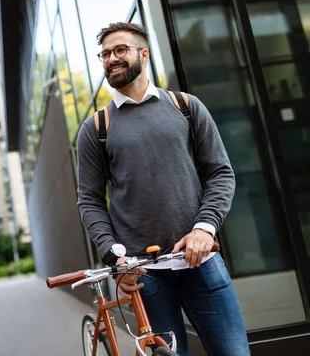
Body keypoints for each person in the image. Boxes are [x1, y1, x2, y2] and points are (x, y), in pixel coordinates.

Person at [76, 22, 250, 355]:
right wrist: (114, 255)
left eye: (120, 50)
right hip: (144, 277)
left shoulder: (185, 106)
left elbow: (220, 174)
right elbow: (91, 201)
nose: (111, 58)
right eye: (105, 54)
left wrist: (204, 228)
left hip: (202, 264)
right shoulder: (96, 127)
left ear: (144, 53)